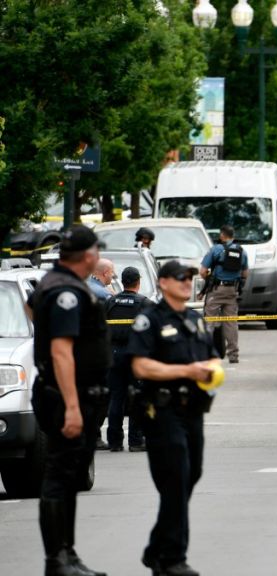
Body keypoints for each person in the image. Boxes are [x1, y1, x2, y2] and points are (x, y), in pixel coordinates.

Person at [128, 260, 219, 576]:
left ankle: (156, 548)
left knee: (191, 475)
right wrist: (187, 371)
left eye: (190, 278)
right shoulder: (150, 319)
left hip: (193, 409)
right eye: (180, 278)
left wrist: (212, 371)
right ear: (163, 282)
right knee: (176, 478)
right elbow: (140, 366)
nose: (186, 283)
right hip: (162, 410)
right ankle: (172, 557)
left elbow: (211, 357)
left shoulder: (196, 320)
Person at [30, 224, 110, 576]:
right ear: (88, 256)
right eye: (96, 251)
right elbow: (62, 353)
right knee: (60, 476)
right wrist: (73, 406)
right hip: (66, 395)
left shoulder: (52, 281)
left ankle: (68, 554)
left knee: (70, 476)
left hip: (66, 392)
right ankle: (57, 560)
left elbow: (31, 308)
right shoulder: (67, 292)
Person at [105, 266, 152, 453]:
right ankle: (136, 441)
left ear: (122, 282)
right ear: (138, 282)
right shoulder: (145, 303)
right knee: (137, 397)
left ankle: (114, 442)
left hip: (114, 354)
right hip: (135, 355)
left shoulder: (110, 302)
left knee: (116, 397)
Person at [199, 225, 249, 364]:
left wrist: (208, 280)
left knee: (209, 322)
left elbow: (202, 271)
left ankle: (206, 354)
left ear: (222, 235)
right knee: (231, 323)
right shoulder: (242, 251)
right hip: (232, 291)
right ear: (233, 235)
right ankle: (233, 355)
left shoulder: (216, 250)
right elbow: (245, 273)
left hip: (216, 290)